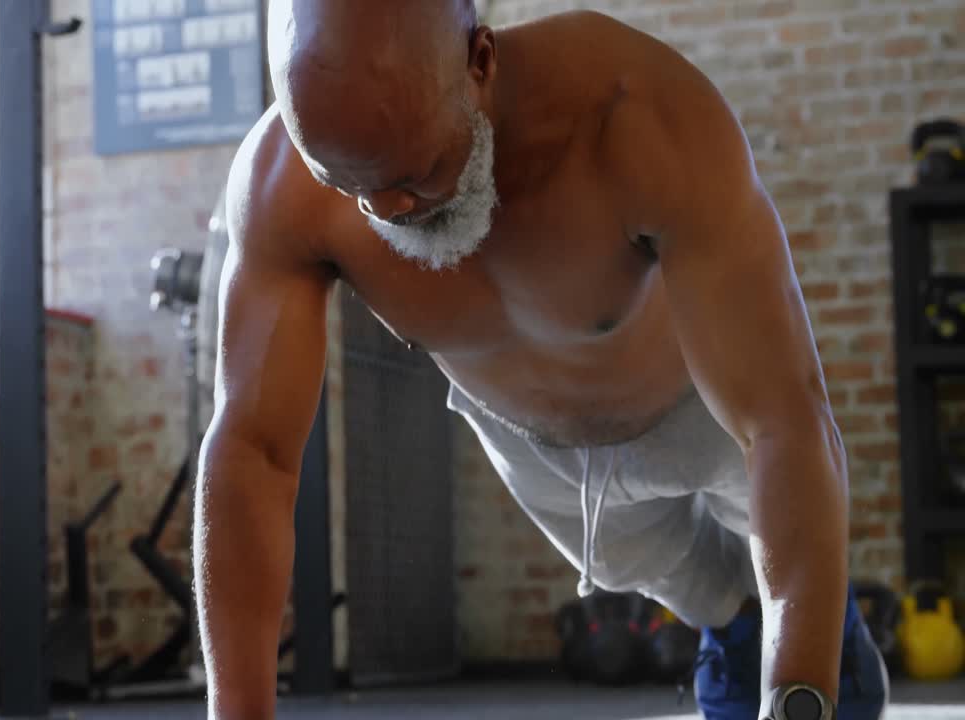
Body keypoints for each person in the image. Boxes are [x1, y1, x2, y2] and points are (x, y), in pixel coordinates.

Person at [193, 2, 889, 719]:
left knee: (794, 598)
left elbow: (782, 417)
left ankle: (819, 636)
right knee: (697, 592)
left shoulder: (634, 113)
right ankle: (740, 630)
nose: (386, 208)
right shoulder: (281, 186)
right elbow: (254, 454)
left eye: (415, 173)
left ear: (480, 62)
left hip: (704, 411)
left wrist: (799, 687)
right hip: (537, 451)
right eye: (347, 183)